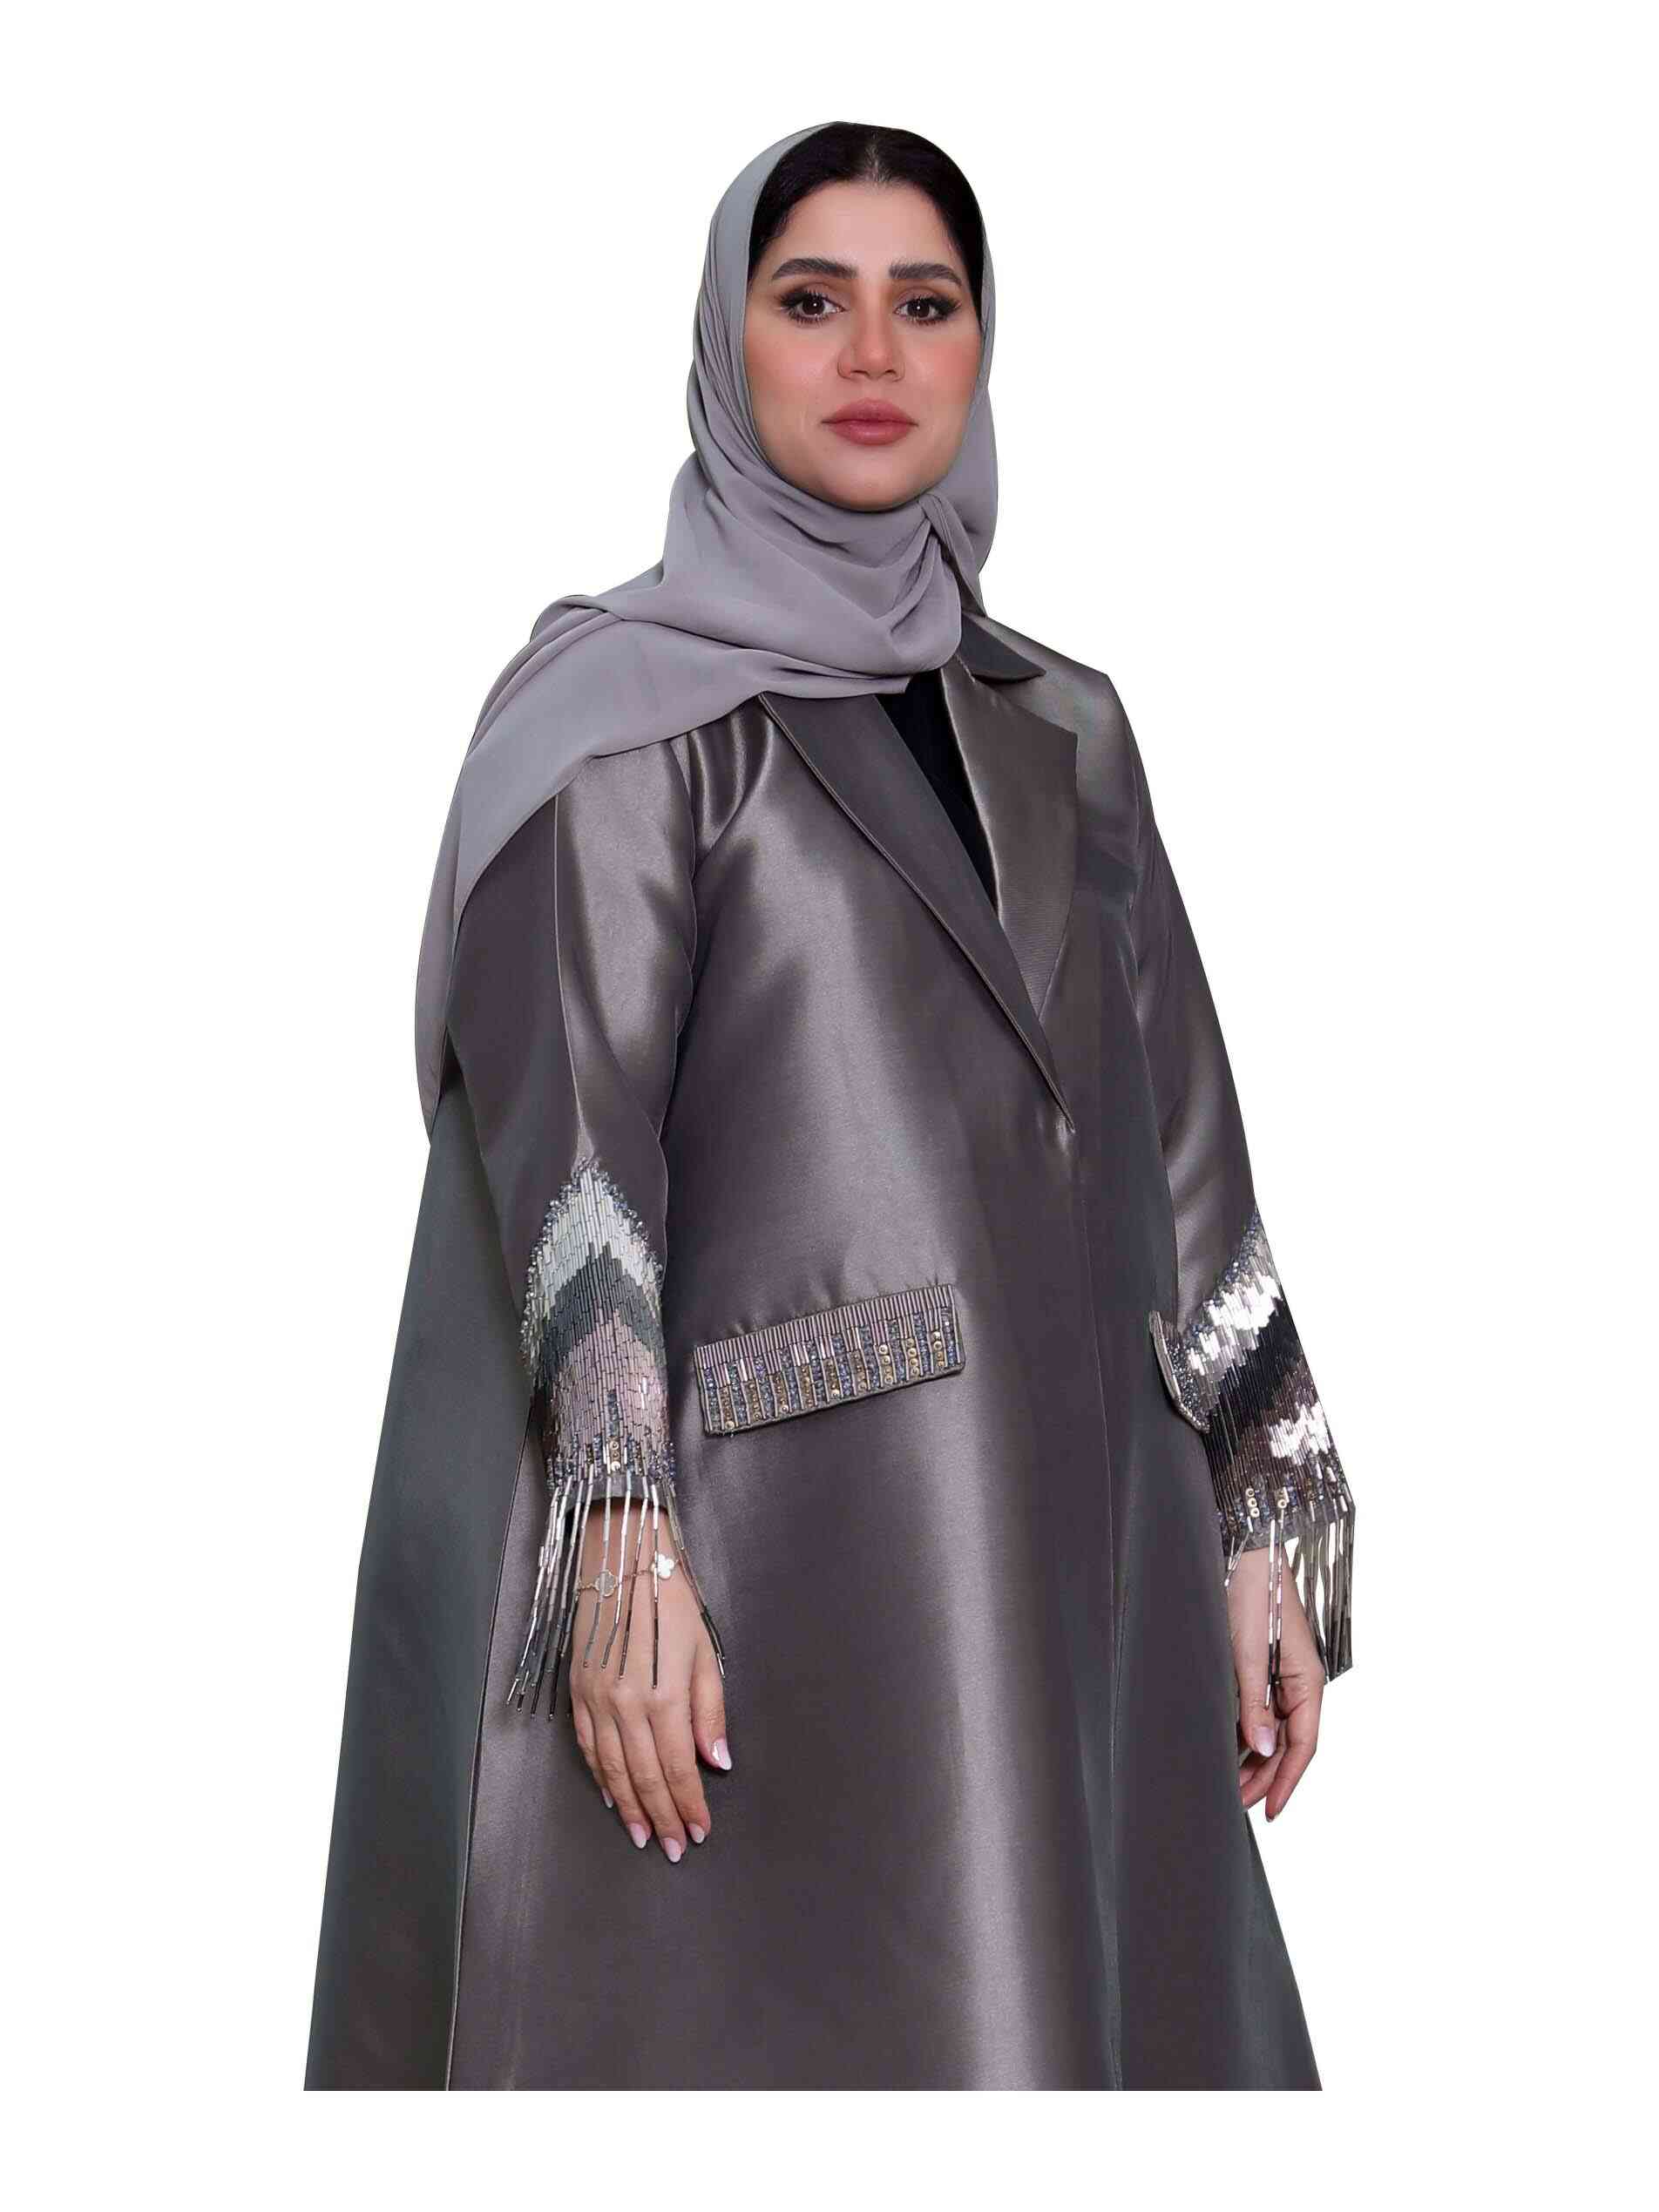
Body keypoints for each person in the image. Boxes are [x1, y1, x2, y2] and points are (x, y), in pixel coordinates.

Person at [304, 116, 1357, 2093]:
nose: (873, 354)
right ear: (731, 339)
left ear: (981, 348)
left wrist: (1253, 1510)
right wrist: (623, 1553)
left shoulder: (1065, 723)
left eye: (925, 305)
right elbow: (574, 1169)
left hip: (1082, 1547)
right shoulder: (624, 722)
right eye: (812, 301)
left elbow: (1184, 1141)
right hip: (779, 1571)